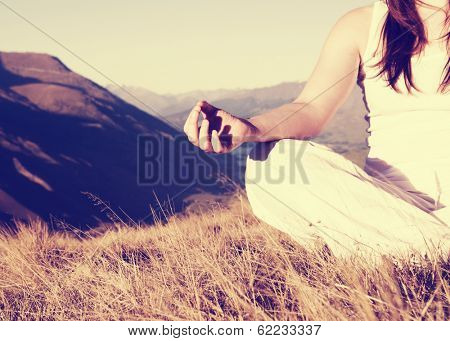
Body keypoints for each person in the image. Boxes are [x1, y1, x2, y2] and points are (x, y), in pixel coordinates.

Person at [183, 0, 450, 257]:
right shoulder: (360, 25)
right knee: (270, 163)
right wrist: (249, 127)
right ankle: (432, 246)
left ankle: (407, 249)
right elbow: (311, 108)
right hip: (383, 204)